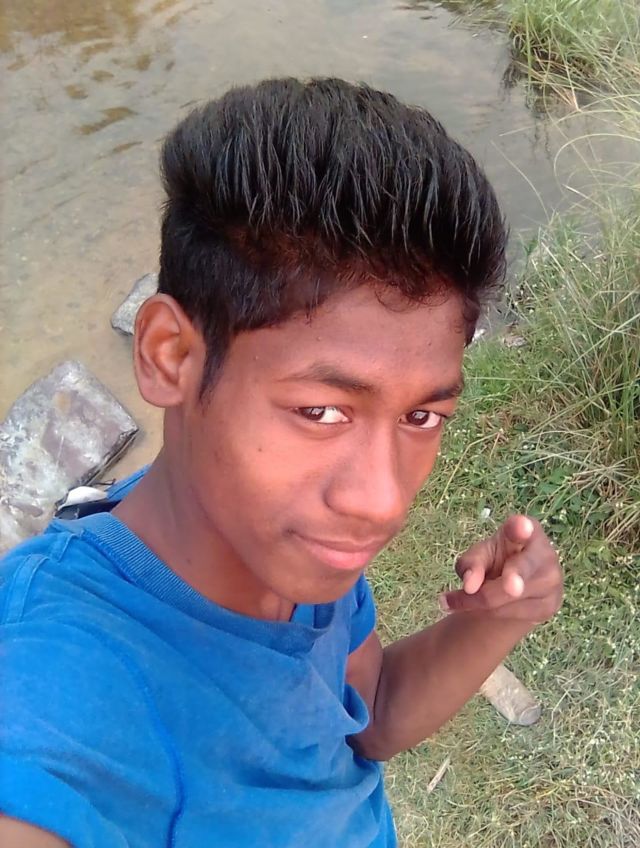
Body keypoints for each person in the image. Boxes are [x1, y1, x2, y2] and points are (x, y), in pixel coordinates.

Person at [0, 77, 563, 848]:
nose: (381, 501)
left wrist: (500, 617)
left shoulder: (285, 543)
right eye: (321, 412)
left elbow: (369, 715)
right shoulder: (60, 681)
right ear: (169, 355)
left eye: (421, 416)